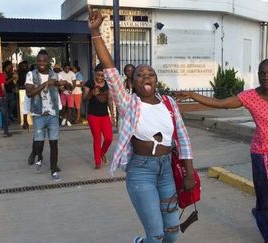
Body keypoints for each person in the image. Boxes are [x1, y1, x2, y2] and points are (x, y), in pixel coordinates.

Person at [88, 7, 196, 243]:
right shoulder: (128, 103)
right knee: (155, 235)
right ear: (132, 82)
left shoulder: (168, 103)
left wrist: (188, 173)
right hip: (141, 172)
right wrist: (96, 32)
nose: (146, 77)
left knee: (173, 235)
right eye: (140, 75)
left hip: (166, 170)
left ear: (156, 81)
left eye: (150, 74)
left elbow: (184, 139)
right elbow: (109, 69)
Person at [176, 59, 268, 243]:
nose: (266, 77)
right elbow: (221, 103)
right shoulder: (250, 96)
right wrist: (193, 94)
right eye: (262, 73)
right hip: (263, 157)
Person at [25, 50, 70, 182]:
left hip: (53, 114)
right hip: (38, 114)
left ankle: (54, 169)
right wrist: (45, 84)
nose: (41, 63)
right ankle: (39, 156)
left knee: (54, 143)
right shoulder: (30, 74)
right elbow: (29, 93)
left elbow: (69, 87)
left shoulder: (55, 75)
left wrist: (66, 84)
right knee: (39, 143)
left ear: (49, 62)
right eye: (39, 61)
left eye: (44, 61)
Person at [82, 63, 114, 169]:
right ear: (94, 74)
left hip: (104, 116)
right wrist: (91, 93)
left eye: (102, 75)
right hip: (93, 116)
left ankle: (101, 153)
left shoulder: (108, 85)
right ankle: (97, 162)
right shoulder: (89, 83)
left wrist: (112, 115)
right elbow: (84, 99)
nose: (99, 78)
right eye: (98, 75)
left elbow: (109, 100)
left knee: (109, 138)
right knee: (97, 139)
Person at [59, 62, 76, 127]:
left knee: (69, 107)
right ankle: (64, 118)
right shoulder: (60, 74)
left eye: (68, 68)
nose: (67, 70)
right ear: (63, 68)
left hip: (70, 92)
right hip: (63, 92)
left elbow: (74, 83)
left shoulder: (72, 74)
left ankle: (68, 120)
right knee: (63, 107)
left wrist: (71, 90)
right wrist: (60, 88)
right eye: (66, 68)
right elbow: (58, 82)